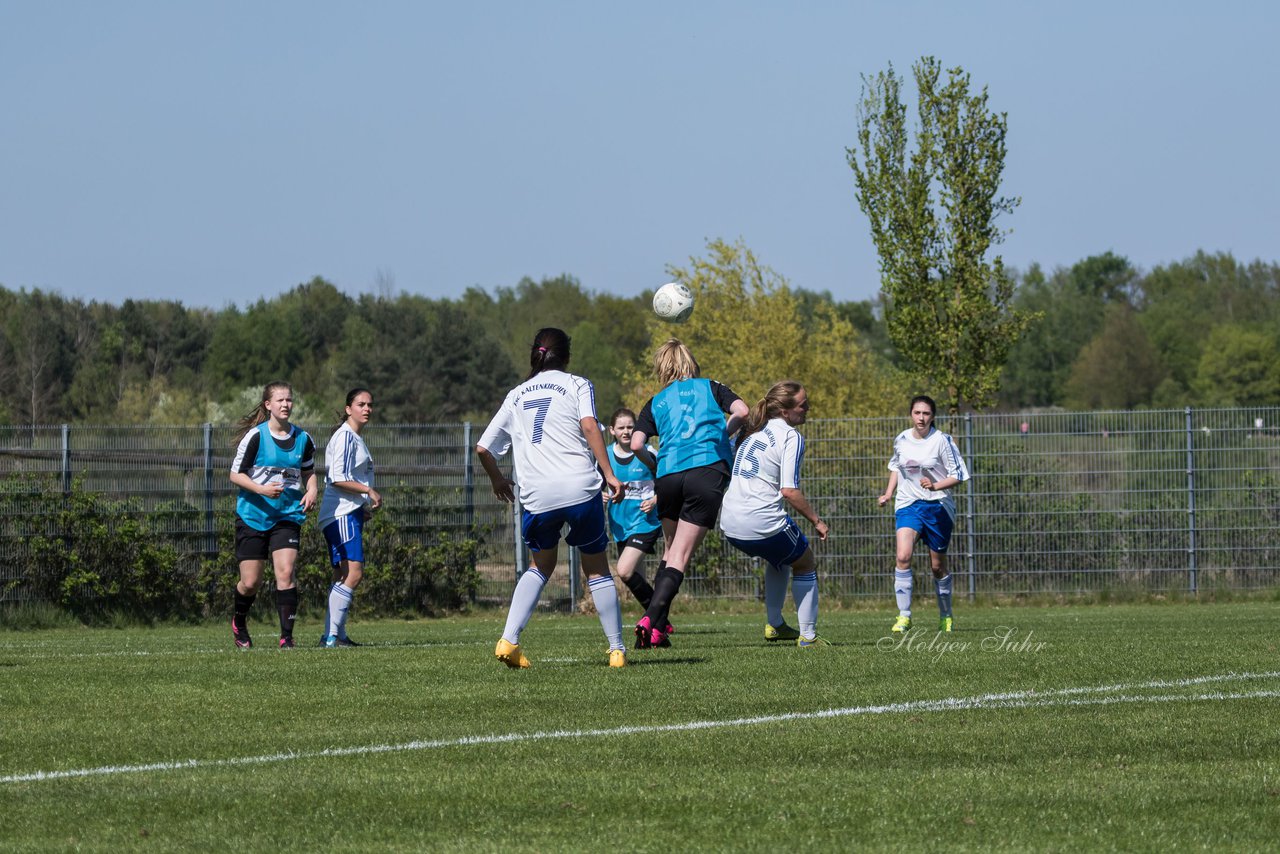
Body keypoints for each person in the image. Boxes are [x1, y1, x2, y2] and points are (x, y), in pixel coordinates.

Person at [476, 328, 627, 669]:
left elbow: (482, 447)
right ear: (567, 356)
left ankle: (508, 640)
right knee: (597, 568)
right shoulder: (577, 384)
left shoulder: (516, 395)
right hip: (578, 488)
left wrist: (498, 479)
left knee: (540, 566)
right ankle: (616, 650)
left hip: (536, 494)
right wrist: (609, 473)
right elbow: (590, 426)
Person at [629, 338, 749, 649]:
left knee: (671, 553)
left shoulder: (655, 401)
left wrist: (655, 464)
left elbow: (637, 444)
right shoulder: (710, 387)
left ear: (662, 368)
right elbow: (743, 411)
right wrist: (721, 434)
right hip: (705, 470)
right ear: (690, 363)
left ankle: (656, 630)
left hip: (668, 475)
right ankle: (649, 618)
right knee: (680, 556)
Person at [720, 380, 830, 647]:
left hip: (729, 523)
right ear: (785, 411)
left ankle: (776, 625)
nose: (808, 409)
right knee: (805, 562)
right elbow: (789, 491)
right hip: (761, 520)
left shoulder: (752, 432)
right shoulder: (791, 436)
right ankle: (809, 637)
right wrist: (817, 521)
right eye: (803, 405)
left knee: (779, 560)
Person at [228, 381, 318, 649]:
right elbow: (235, 474)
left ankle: (286, 638)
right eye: (280, 400)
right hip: (253, 515)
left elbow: (308, 471)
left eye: (289, 400)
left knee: (286, 572)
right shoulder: (255, 437)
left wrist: (312, 490)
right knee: (250, 582)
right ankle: (239, 623)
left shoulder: (303, 439)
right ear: (268, 405)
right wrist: (261, 490)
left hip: (287, 516)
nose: (285, 405)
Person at [877, 394, 969, 633]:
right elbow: (897, 467)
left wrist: (935, 486)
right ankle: (904, 616)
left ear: (933, 417)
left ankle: (946, 615)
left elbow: (958, 475)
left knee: (937, 566)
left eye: (926, 413)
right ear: (911, 414)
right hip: (908, 503)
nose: (921, 417)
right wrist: (888, 494)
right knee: (903, 556)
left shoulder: (942, 441)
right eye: (917, 412)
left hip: (938, 506)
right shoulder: (902, 439)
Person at [317, 388, 382, 648]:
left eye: (369, 404)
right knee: (354, 573)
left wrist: (360, 507)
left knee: (342, 575)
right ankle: (332, 636)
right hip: (340, 513)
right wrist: (367, 490)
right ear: (348, 409)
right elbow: (337, 477)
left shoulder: (355, 438)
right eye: (360, 404)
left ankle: (335, 636)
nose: (366, 409)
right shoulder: (345, 437)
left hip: (347, 512)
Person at [603, 407, 663, 612]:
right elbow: (594, 485)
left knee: (624, 571)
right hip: (620, 524)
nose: (626, 431)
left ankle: (658, 615)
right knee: (636, 577)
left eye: (630, 427)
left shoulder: (648, 452)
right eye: (621, 428)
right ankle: (658, 619)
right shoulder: (606, 456)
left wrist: (656, 499)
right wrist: (598, 495)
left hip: (646, 522)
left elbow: (667, 482)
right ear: (612, 430)